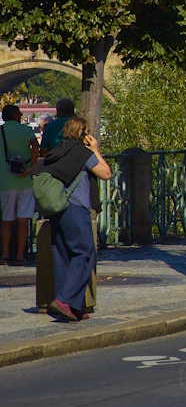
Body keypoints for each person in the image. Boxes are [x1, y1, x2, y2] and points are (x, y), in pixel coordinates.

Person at [39, 118, 111, 321]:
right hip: (75, 207)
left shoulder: (57, 151)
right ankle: (64, 300)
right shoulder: (82, 153)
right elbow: (106, 173)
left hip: (55, 208)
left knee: (62, 254)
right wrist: (95, 149)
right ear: (82, 134)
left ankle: (72, 308)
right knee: (84, 252)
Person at [2, 103, 41, 265]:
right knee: (23, 219)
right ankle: (19, 255)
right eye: (19, 113)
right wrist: (31, 168)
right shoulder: (26, 130)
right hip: (25, 180)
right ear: (14, 115)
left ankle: (4, 254)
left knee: (6, 219)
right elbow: (35, 146)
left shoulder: (1, 131)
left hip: (4, 181)